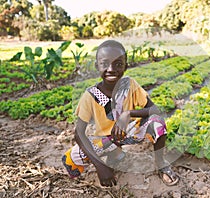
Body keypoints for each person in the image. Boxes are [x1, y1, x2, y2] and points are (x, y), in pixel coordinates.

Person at [62, 40, 179, 188]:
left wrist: (127, 114)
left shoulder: (130, 85)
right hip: (106, 139)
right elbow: (79, 133)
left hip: (129, 131)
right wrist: (100, 166)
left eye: (118, 64)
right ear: (97, 66)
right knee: (70, 161)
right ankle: (114, 156)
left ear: (126, 66)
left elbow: (154, 109)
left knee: (158, 123)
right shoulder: (90, 96)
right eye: (105, 64)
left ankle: (161, 164)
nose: (111, 69)